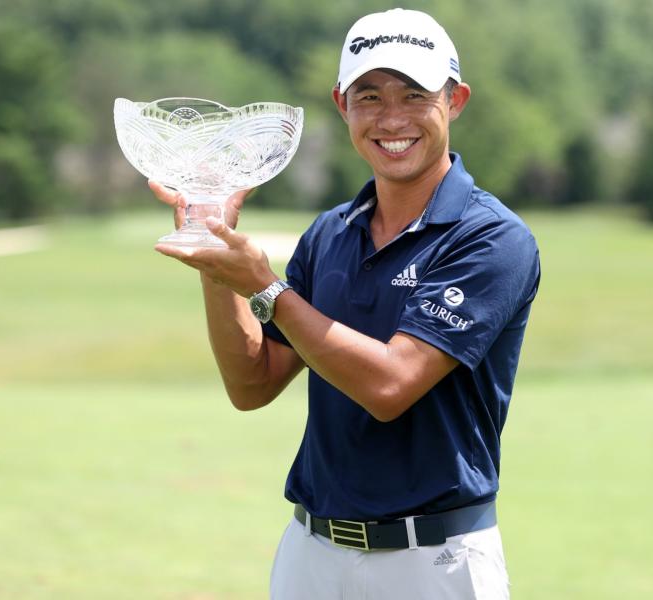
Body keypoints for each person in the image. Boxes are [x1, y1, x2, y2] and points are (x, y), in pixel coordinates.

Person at [151, 8, 540, 599]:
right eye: (370, 96)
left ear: (456, 100)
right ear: (342, 105)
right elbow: (251, 385)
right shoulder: (330, 233)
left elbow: (390, 385)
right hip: (312, 555)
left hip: (434, 561)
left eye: (415, 95)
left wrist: (264, 286)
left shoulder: (491, 238)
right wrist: (216, 263)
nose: (391, 119)